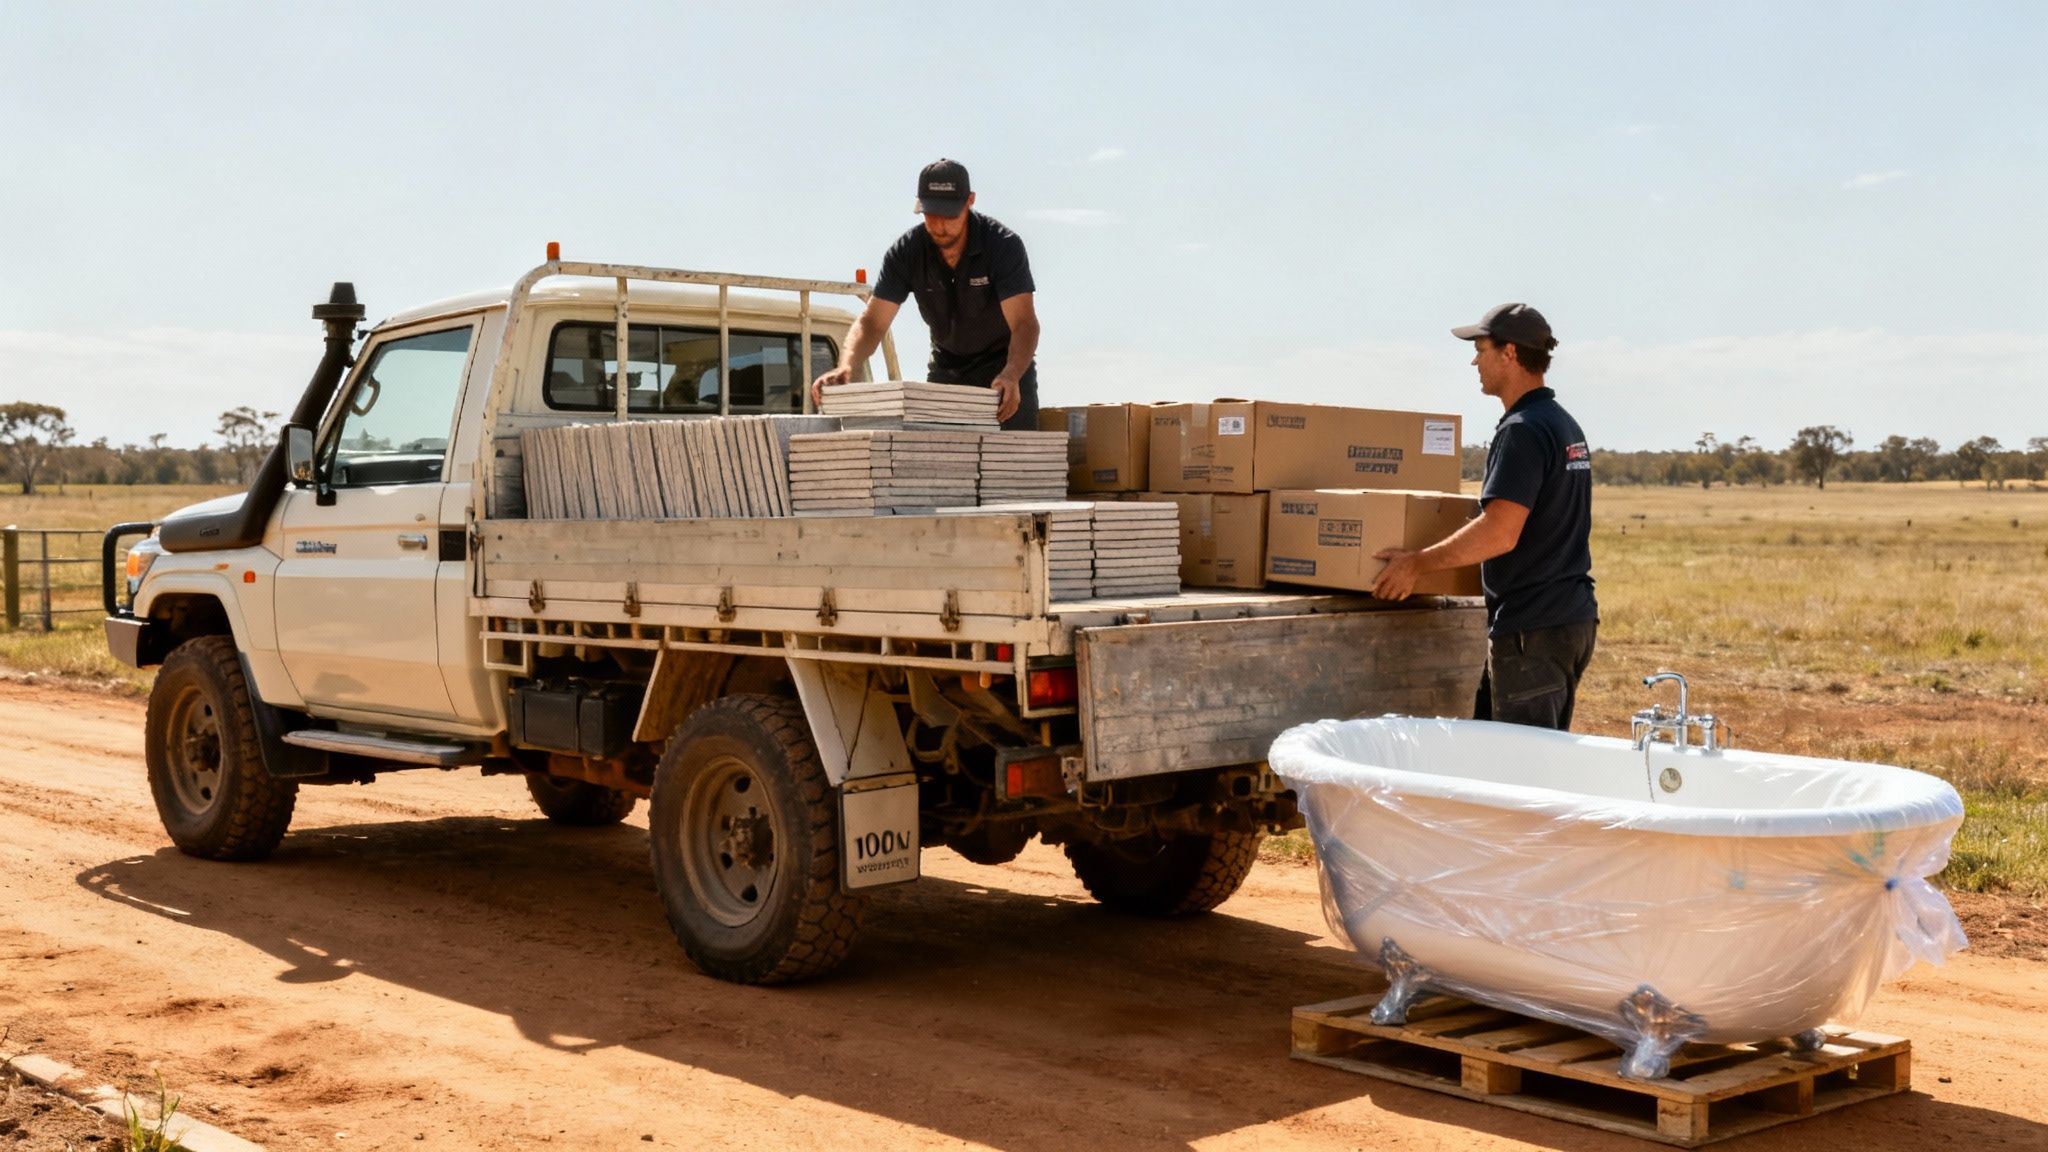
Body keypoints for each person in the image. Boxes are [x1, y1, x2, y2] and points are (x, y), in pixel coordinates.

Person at [1371, 302, 1598, 730]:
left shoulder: (1523, 430)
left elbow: (1500, 532)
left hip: (1533, 629)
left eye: (1481, 348)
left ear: (1509, 353)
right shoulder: (1562, 425)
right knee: (1506, 753)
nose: (1475, 360)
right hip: (1565, 619)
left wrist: (1417, 563)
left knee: (1519, 770)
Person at [809, 159, 1042, 430]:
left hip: (1004, 370)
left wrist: (1012, 374)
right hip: (947, 369)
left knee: (1013, 464)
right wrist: (847, 365)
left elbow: (1024, 324)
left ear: (970, 201)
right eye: (932, 214)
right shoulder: (907, 252)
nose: (940, 225)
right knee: (938, 462)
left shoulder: (1002, 246)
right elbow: (872, 322)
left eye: (950, 215)